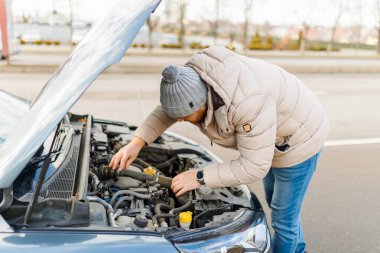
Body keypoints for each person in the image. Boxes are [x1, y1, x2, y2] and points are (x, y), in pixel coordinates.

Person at [109, 46, 329, 253]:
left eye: (185, 116)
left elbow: (254, 166)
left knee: (283, 216)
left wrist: (199, 177)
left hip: (300, 139)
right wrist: (137, 142)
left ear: (201, 103)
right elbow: (170, 110)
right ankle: (298, 249)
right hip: (272, 132)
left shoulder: (247, 103)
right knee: (276, 200)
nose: (182, 121)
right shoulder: (191, 80)